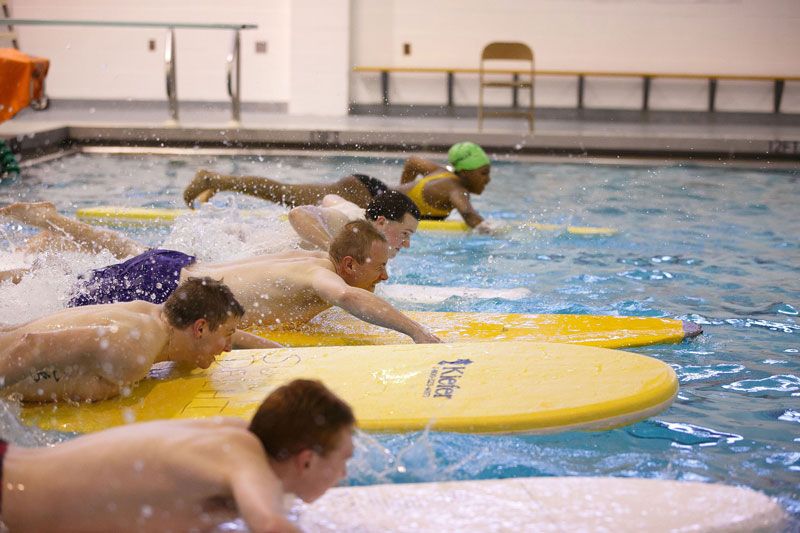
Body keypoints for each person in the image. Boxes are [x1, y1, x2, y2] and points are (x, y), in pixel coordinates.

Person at [1, 218, 440, 345]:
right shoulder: (319, 275)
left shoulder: (314, 257)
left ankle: (27, 256)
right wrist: (416, 331)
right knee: (47, 315)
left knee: (62, 289)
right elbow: (346, 298)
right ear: (347, 264)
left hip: (172, 268)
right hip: (164, 289)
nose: (386, 275)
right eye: (378, 267)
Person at [0, 379, 355, 533]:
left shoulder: (234, 435)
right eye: (343, 460)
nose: (343, 475)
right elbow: (270, 526)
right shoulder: (243, 459)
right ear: (306, 460)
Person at [0, 277, 243, 402]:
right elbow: (34, 346)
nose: (229, 348)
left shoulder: (153, 316)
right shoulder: (134, 348)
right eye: (227, 335)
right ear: (199, 328)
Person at [183, 142, 503, 234]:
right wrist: (495, 230)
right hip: (364, 194)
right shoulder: (456, 189)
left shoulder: (440, 172)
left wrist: (403, 186)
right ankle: (214, 179)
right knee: (286, 194)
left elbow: (414, 161)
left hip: (370, 188)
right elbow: (472, 217)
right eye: (483, 173)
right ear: (465, 172)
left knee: (286, 191)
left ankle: (222, 183)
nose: (487, 180)